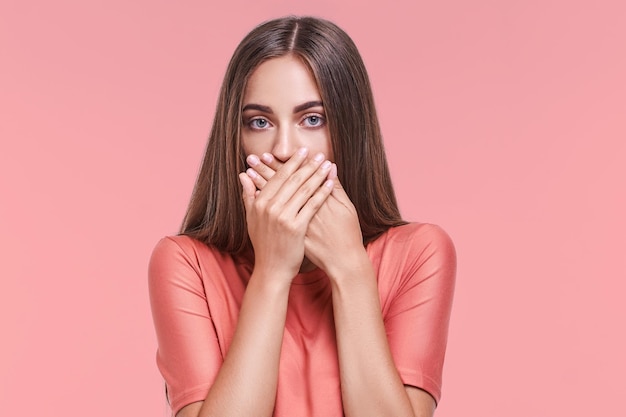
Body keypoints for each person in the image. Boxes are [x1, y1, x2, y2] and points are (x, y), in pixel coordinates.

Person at [149, 16, 456, 417]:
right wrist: (273, 271)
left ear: (348, 128)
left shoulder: (419, 253)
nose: (284, 148)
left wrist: (350, 270)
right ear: (235, 136)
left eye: (312, 119)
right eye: (259, 122)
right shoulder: (184, 263)